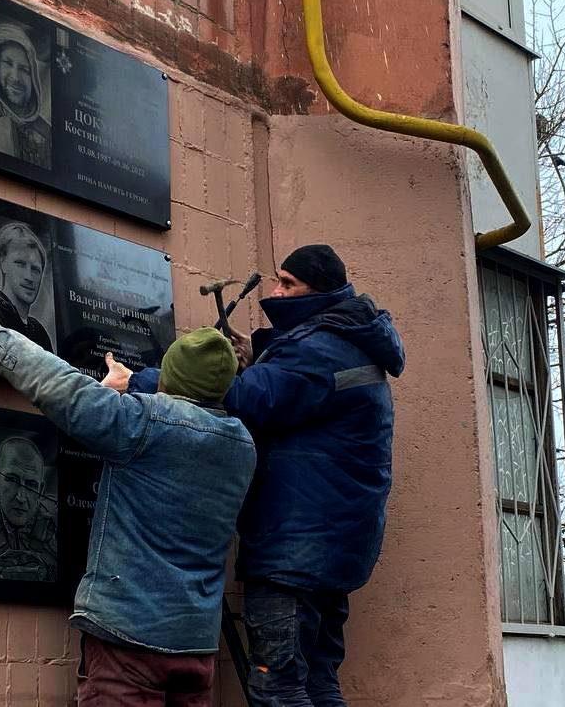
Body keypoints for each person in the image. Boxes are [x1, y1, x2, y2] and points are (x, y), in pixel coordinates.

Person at [108, 244, 405, 705]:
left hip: (295, 553)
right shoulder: (350, 339)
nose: (273, 291)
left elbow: (249, 399)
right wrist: (263, 350)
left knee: (278, 687)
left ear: (321, 293)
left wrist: (141, 382)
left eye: (288, 284)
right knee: (318, 683)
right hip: (332, 550)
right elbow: (299, 386)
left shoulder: (319, 351)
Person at [0, 288, 257, 706]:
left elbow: (63, 388)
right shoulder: (242, 447)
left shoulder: (144, 423)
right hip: (195, 646)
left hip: (130, 639)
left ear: (172, 376)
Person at [0, 435, 58, 582]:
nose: (21, 497)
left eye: (31, 485)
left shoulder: (57, 527)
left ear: (41, 490)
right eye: (12, 480)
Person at [0, 22, 52, 168]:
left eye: (24, 69)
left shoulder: (46, 132)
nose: (15, 77)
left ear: (34, 78)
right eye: (8, 63)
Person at [0, 222, 54, 352]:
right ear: (3, 263)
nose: (29, 277)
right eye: (20, 264)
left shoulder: (39, 333)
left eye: (35, 269)